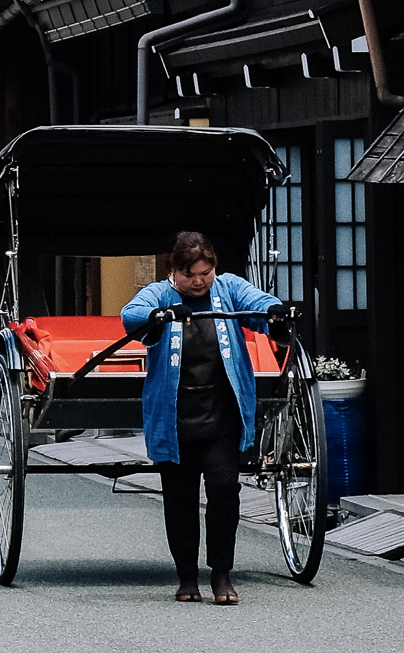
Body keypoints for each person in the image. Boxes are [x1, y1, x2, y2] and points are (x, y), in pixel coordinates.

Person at [121, 231, 283, 606]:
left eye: (205, 273)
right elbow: (131, 314)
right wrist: (158, 316)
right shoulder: (160, 294)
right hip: (175, 418)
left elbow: (256, 301)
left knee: (225, 489)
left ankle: (222, 573)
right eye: (190, 274)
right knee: (179, 498)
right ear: (173, 271)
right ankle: (187, 577)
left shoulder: (227, 289)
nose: (199, 281)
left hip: (221, 415)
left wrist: (274, 310)